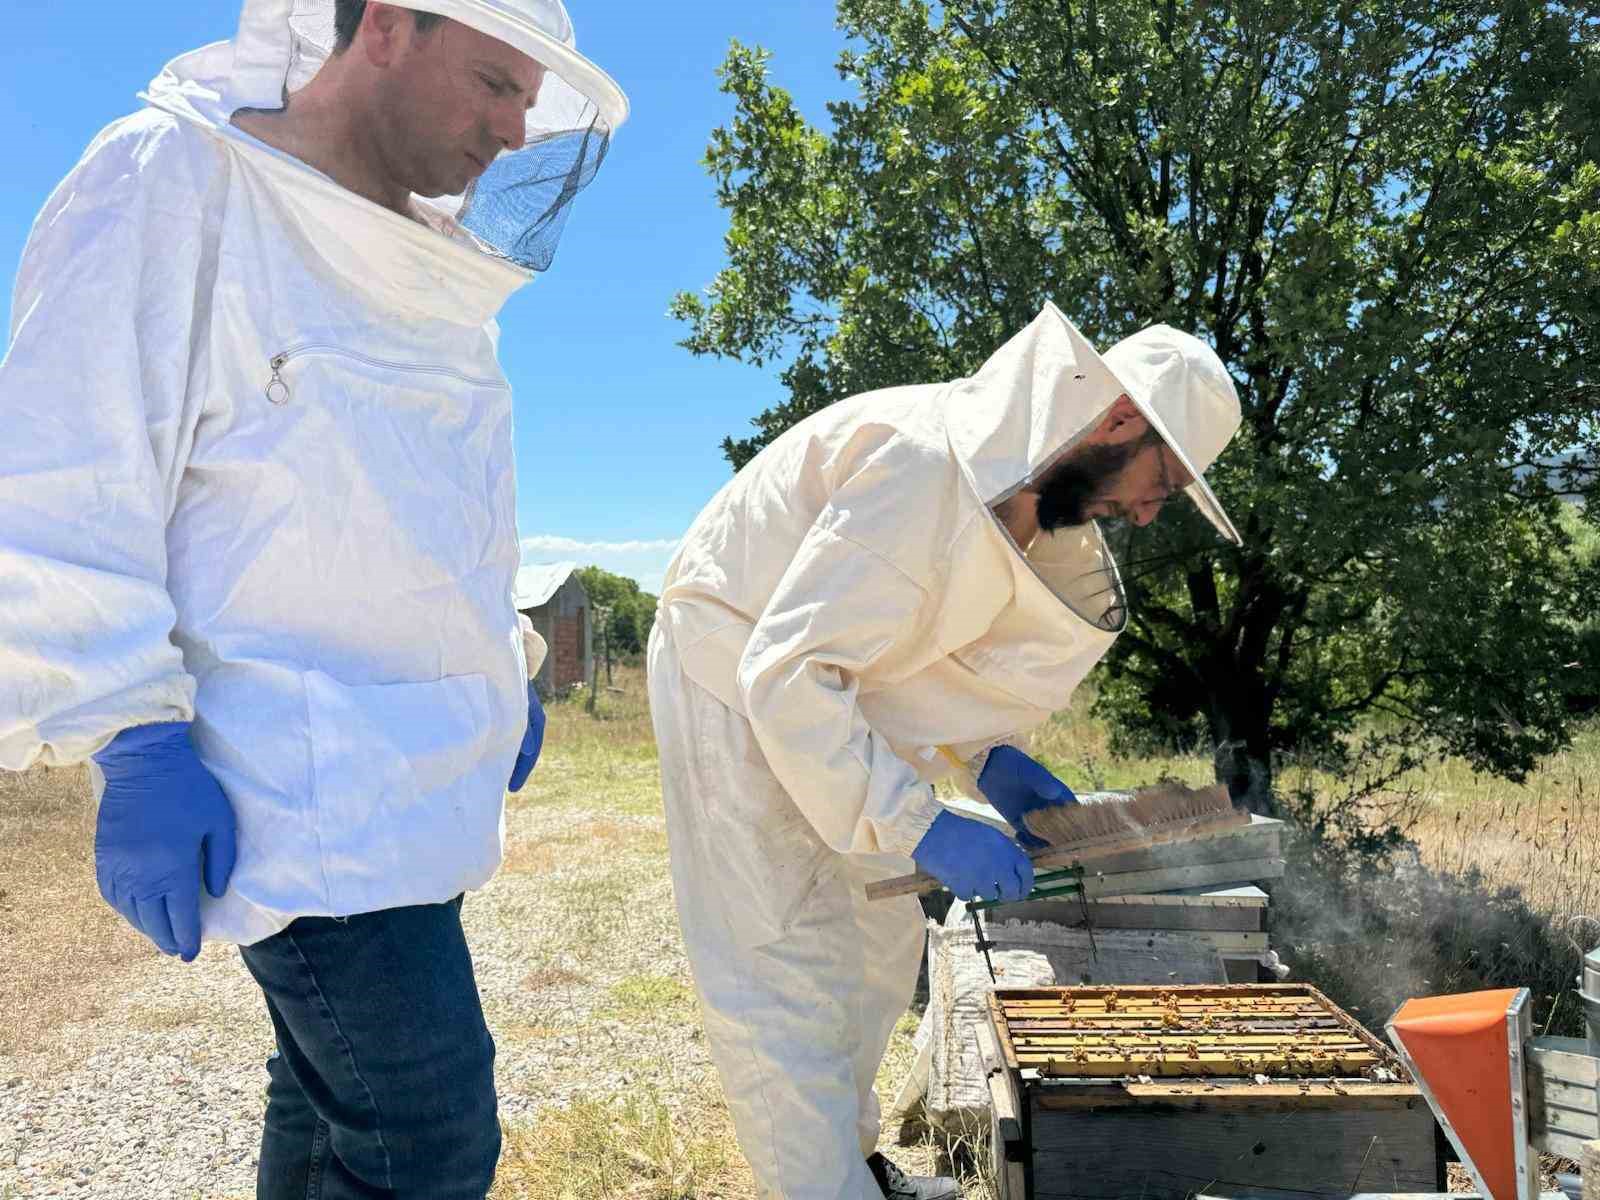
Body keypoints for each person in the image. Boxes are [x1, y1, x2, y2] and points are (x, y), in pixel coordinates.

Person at [0, 3, 625, 1196]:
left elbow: (428, 519)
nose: (509, 131)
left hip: (416, 773)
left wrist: (507, 666)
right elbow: (63, 469)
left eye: (527, 105)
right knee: (429, 1138)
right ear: (385, 25)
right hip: (286, 777)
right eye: (494, 81)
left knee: (325, 1101)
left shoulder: (423, 266)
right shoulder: (175, 175)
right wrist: (131, 735)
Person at [649, 303, 1244, 1200]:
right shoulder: (927, 467)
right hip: (730, 670)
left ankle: (852, 1167)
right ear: (1121, 419)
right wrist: (917, 821)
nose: (1151, 515)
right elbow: (791, 670)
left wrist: (992, 759)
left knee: (876, 944)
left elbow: (925, 657)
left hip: (830, 694)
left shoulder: (1025, 504)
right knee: (781, 964)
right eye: (1164, 481)